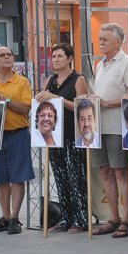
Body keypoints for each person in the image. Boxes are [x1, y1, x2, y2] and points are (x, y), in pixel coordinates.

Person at [90, 23, 128, 238]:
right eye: (100, 39)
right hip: (97, 126)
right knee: (105, 171)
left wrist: (106, 104)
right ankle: (113, 217)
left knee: (120, 171)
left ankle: (127, 220)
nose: (101, 42)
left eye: (105, 39)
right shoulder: (100, 65)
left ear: (118, 42)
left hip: (118, 127)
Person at [36, 43, 89, 233]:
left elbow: (82, 106)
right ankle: (65, 218)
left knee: (76, 178)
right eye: (54, 56)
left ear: (69, 58)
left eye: (60, 56)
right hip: (54, 135)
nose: (56, 60)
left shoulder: (78, 79)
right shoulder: (49, 80)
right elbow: (43, 102)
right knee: (60, 177)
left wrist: (56, 98)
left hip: (72, 135)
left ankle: (81, 219)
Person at [0, 46, 33, 235]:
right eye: (2, 55)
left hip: (17, 133)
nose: (7, 57)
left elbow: (26, 108)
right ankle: (4, 216)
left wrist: (6, 100)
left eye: (9, 55)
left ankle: (15, 218)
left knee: (18, 177)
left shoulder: (22, 82)